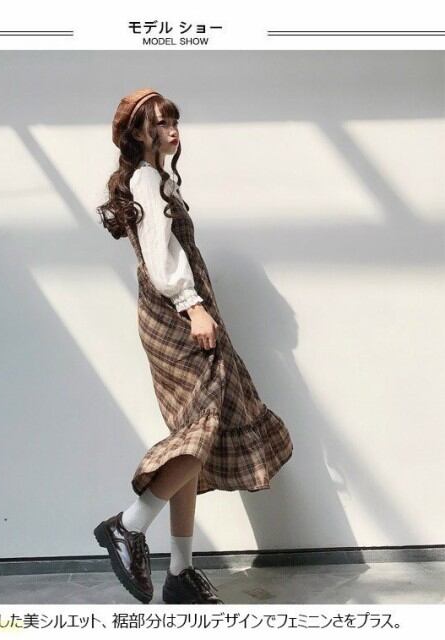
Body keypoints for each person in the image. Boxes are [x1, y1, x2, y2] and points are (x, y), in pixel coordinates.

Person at [94, 88, 294, 605]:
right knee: (204, 428)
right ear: (139, 133)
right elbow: (161, 263)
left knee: (193, 436)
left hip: (183, 315)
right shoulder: (145, 179)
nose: (172, 129)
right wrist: (193, 306)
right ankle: (128, 526)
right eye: (160, 123)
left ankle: (181, 572)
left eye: (174, 120)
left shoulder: (159, 179)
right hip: (177, 317)